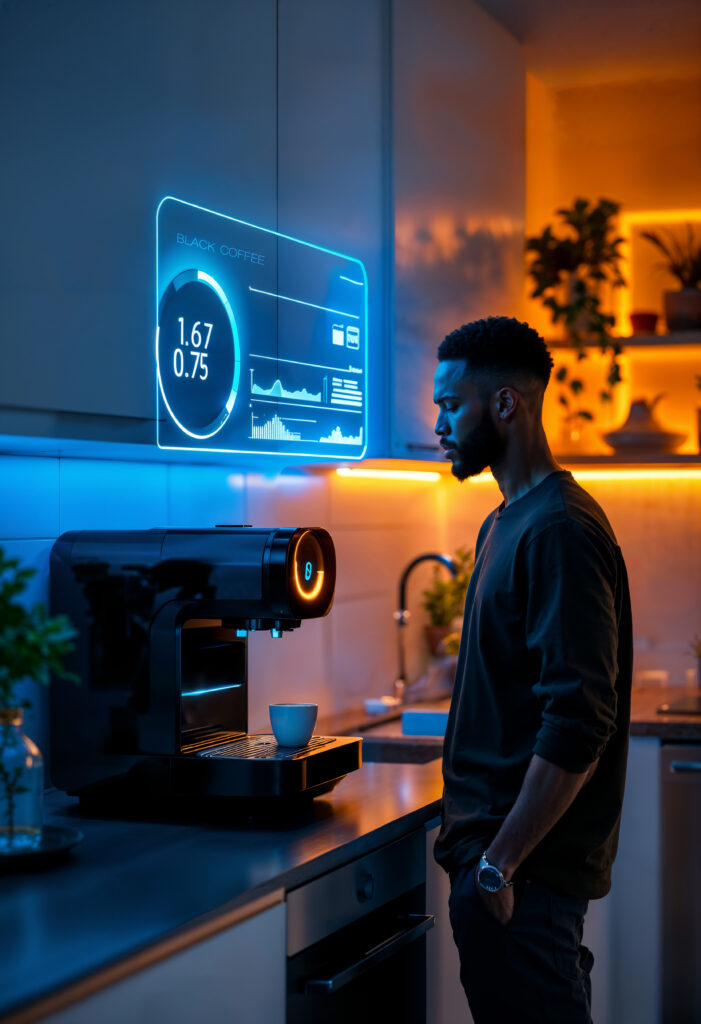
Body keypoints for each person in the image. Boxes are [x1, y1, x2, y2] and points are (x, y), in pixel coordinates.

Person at [432, 316, 632, 1024]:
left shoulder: (558, 530)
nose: (438, 423)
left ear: (506, 403)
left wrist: (499, 864)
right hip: (498, 869)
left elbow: (580, 720)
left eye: (450, 404)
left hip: (524, 878)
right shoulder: (503, 521)